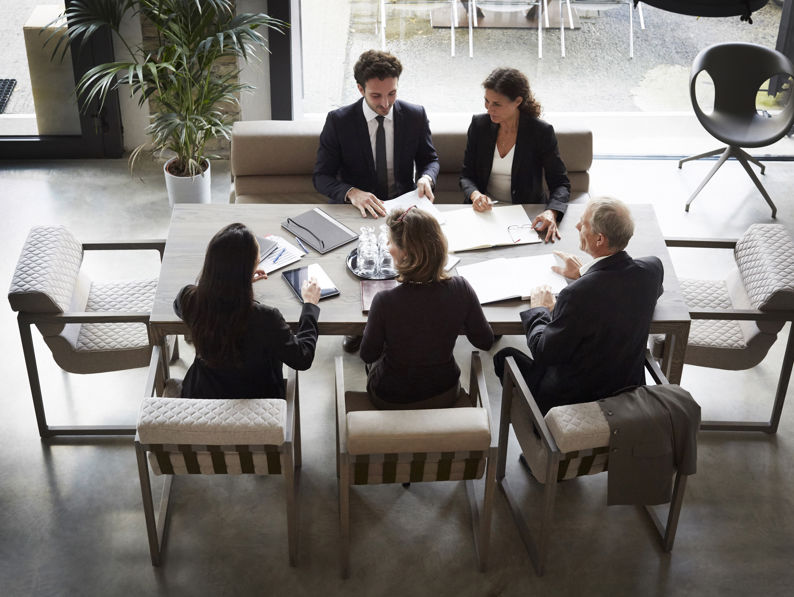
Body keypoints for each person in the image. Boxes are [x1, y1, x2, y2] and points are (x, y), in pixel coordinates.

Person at [493, 197, 664, 414]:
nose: (576, 226)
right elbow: (621, 294)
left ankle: (537, 429)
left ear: (599, 239)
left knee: (504, 356)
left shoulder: (575, 296)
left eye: (582, 224)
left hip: (575, 406)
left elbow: (543, 352)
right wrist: (586, 275)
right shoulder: (652, 270)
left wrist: (540, 310)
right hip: (628, 395)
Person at [360, 206, 495, 409]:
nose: (387, 246)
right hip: (444, 393)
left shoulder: (384, 301)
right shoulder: (461, 288)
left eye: (391, 242)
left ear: (405, 254)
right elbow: (485, 341)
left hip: (391, 398)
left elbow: (368, 355)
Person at [174, 223, 322, 399]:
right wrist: (310, 306)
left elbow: (180, 307)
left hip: (204, 397)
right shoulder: (266, 318)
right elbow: (302, 358)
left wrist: (231, 284)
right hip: (258, 401)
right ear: (248, 269)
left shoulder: (189, 299)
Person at [313, 49, 440, 220]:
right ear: (360, 89)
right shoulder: (339, 121)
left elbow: (430, 160)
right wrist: (352, 193)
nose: (385, 104)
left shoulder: (415, 116)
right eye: (376, 96)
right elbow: (321, 177)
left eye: (392, 94)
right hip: (357, 209)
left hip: (403, 208)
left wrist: (426, 178)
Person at [459, 67, 571, 243]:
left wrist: (552, 212)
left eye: (497, 104)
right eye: (486, 101)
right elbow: (466, 175)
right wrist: (475, 195)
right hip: (485, 214)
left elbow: (560, 183)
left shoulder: (540, 132)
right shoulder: (479, 126)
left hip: (527, 215)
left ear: (517, 101)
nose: (489, 109)